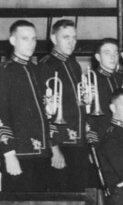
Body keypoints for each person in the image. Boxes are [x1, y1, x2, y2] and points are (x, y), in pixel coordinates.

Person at [0, 20, 52, 192]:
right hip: (20, 155)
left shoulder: (37, 70)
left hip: (42, 155)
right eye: (25, 38)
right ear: (12, 41)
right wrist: (9, 154)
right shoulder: (4, 71)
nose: (31, 44)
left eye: (34, 39)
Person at [36, 19, 92, 190]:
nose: (71, 42)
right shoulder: (46, 66)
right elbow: (44, 112)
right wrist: (54, 148)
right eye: (65, 37)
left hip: (78, 141)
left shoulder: (73, 64)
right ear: (54, 38)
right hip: (61, 144)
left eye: (74, 37)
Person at [87, 38, 123, 143]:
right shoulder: (90, 79)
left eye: (115, 53)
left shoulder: (122, 79)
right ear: (98, 57)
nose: (112, 57)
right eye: (107, 53)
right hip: (100, 136)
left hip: (122, 134)